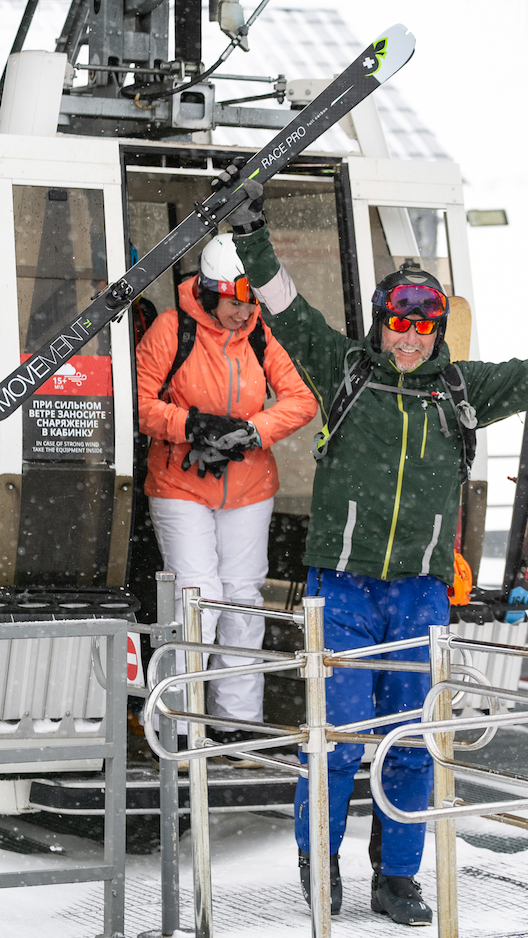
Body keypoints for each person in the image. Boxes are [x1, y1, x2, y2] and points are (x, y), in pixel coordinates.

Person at [227, 178, 528, 923]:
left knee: (413, 740)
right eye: (399, 323)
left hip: (421, 593)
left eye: (424, 326)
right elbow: (284, 304)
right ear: (381, 325)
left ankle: (396, 877)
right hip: (343, 589)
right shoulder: (344, 370)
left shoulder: (460, 391)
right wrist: (250, 233)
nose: (410, 337)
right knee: (335, 741)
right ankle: (319, 864)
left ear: (438, 331)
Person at [136, 233, 318, 758]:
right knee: (196, 596)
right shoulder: (172, 330)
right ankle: (178, 718)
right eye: (236, 302)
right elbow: (139, 404)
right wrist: (191, 425)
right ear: (210, 293)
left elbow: (302, 399)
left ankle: (237, 723)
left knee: (242, 599)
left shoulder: (261, 334)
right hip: (181, 484)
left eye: (252, 301)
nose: (244, 312)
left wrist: (251, 432)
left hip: (249, 486)